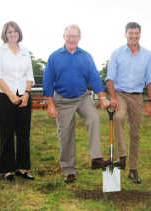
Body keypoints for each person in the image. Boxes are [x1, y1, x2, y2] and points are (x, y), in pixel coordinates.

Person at [43, 24, 110, 183]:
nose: (72, 39)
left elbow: (94, 77)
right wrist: (50, 104)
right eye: (69, 35)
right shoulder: (54, 57)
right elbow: (47, 81)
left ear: (79, 38)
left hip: (82, 97)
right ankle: (69, 170)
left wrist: (102, 97)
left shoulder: (86, 56)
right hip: (63, 100)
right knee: (66, 134)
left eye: (75, 36)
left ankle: (96, 158)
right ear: (64, 36)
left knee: (94, 118)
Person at [106, 22, 151, 184]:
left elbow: (150, 80)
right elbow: (110, 78)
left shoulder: (147, 55)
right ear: (125, 34)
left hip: (137, 96)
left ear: (140, 34)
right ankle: (122, 156)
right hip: (119, 93)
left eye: (136, 33)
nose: (134, 36)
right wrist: (113, 97)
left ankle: (133, 169)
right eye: (131, 33)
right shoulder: (117, 53)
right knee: (118, 118)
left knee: (135, 133)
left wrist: (149, 102)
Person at [0, 21, 35, 181]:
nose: (12, 34)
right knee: (7, 132)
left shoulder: (25, 51)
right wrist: (11, 95)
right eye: (9, 32)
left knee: (24, 132)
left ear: (19, 33)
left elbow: (29, 75)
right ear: (5, 34)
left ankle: (22, 168)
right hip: (5, 95)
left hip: (23, 95)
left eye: (15, 31)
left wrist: (26, 94)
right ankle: (7, 170)